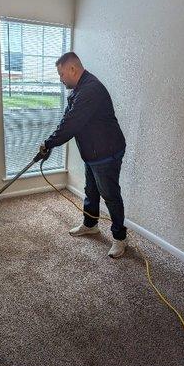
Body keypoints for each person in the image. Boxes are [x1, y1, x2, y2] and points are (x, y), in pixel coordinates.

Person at [40, 52, 127, 258]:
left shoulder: (91, 90)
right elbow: (67, 120)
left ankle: (120, 238)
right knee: (91, 190)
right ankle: (90, 225)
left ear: (73, 69)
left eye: (61, 74)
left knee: (110, 195)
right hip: (92, 152)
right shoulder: (78, 90)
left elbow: (71, 124)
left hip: (106, 153)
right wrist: (49, 143)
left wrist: (49, 143)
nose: (60, 78)